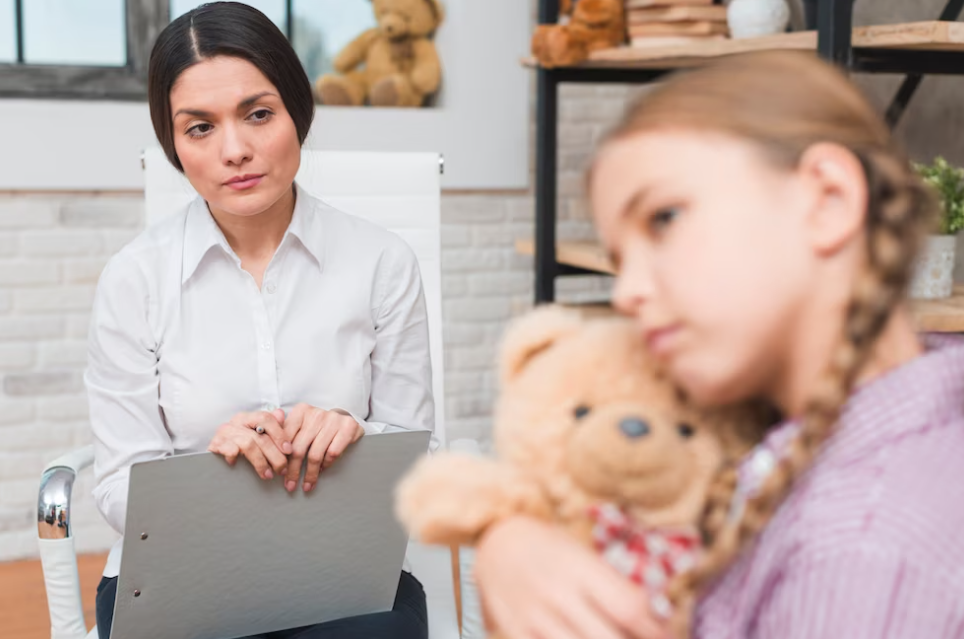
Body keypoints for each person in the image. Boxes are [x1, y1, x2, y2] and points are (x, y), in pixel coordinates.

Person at [474, 51, 964, 638]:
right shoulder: (900, 411)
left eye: (664, 218)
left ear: (828, 199)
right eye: (619, 260)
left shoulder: (859, 551)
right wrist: (510, 541)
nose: (627, 292)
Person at [85, 3, 434, 638]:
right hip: (177, 572)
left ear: (297, 112)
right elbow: (116, 485)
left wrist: (357, 432)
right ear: (174, 146)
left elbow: (419, 454)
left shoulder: (383, 262)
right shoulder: (133, 279)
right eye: (199, 128)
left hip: (347, 572)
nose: (235, 150)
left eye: (258, 114)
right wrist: (201, 477)